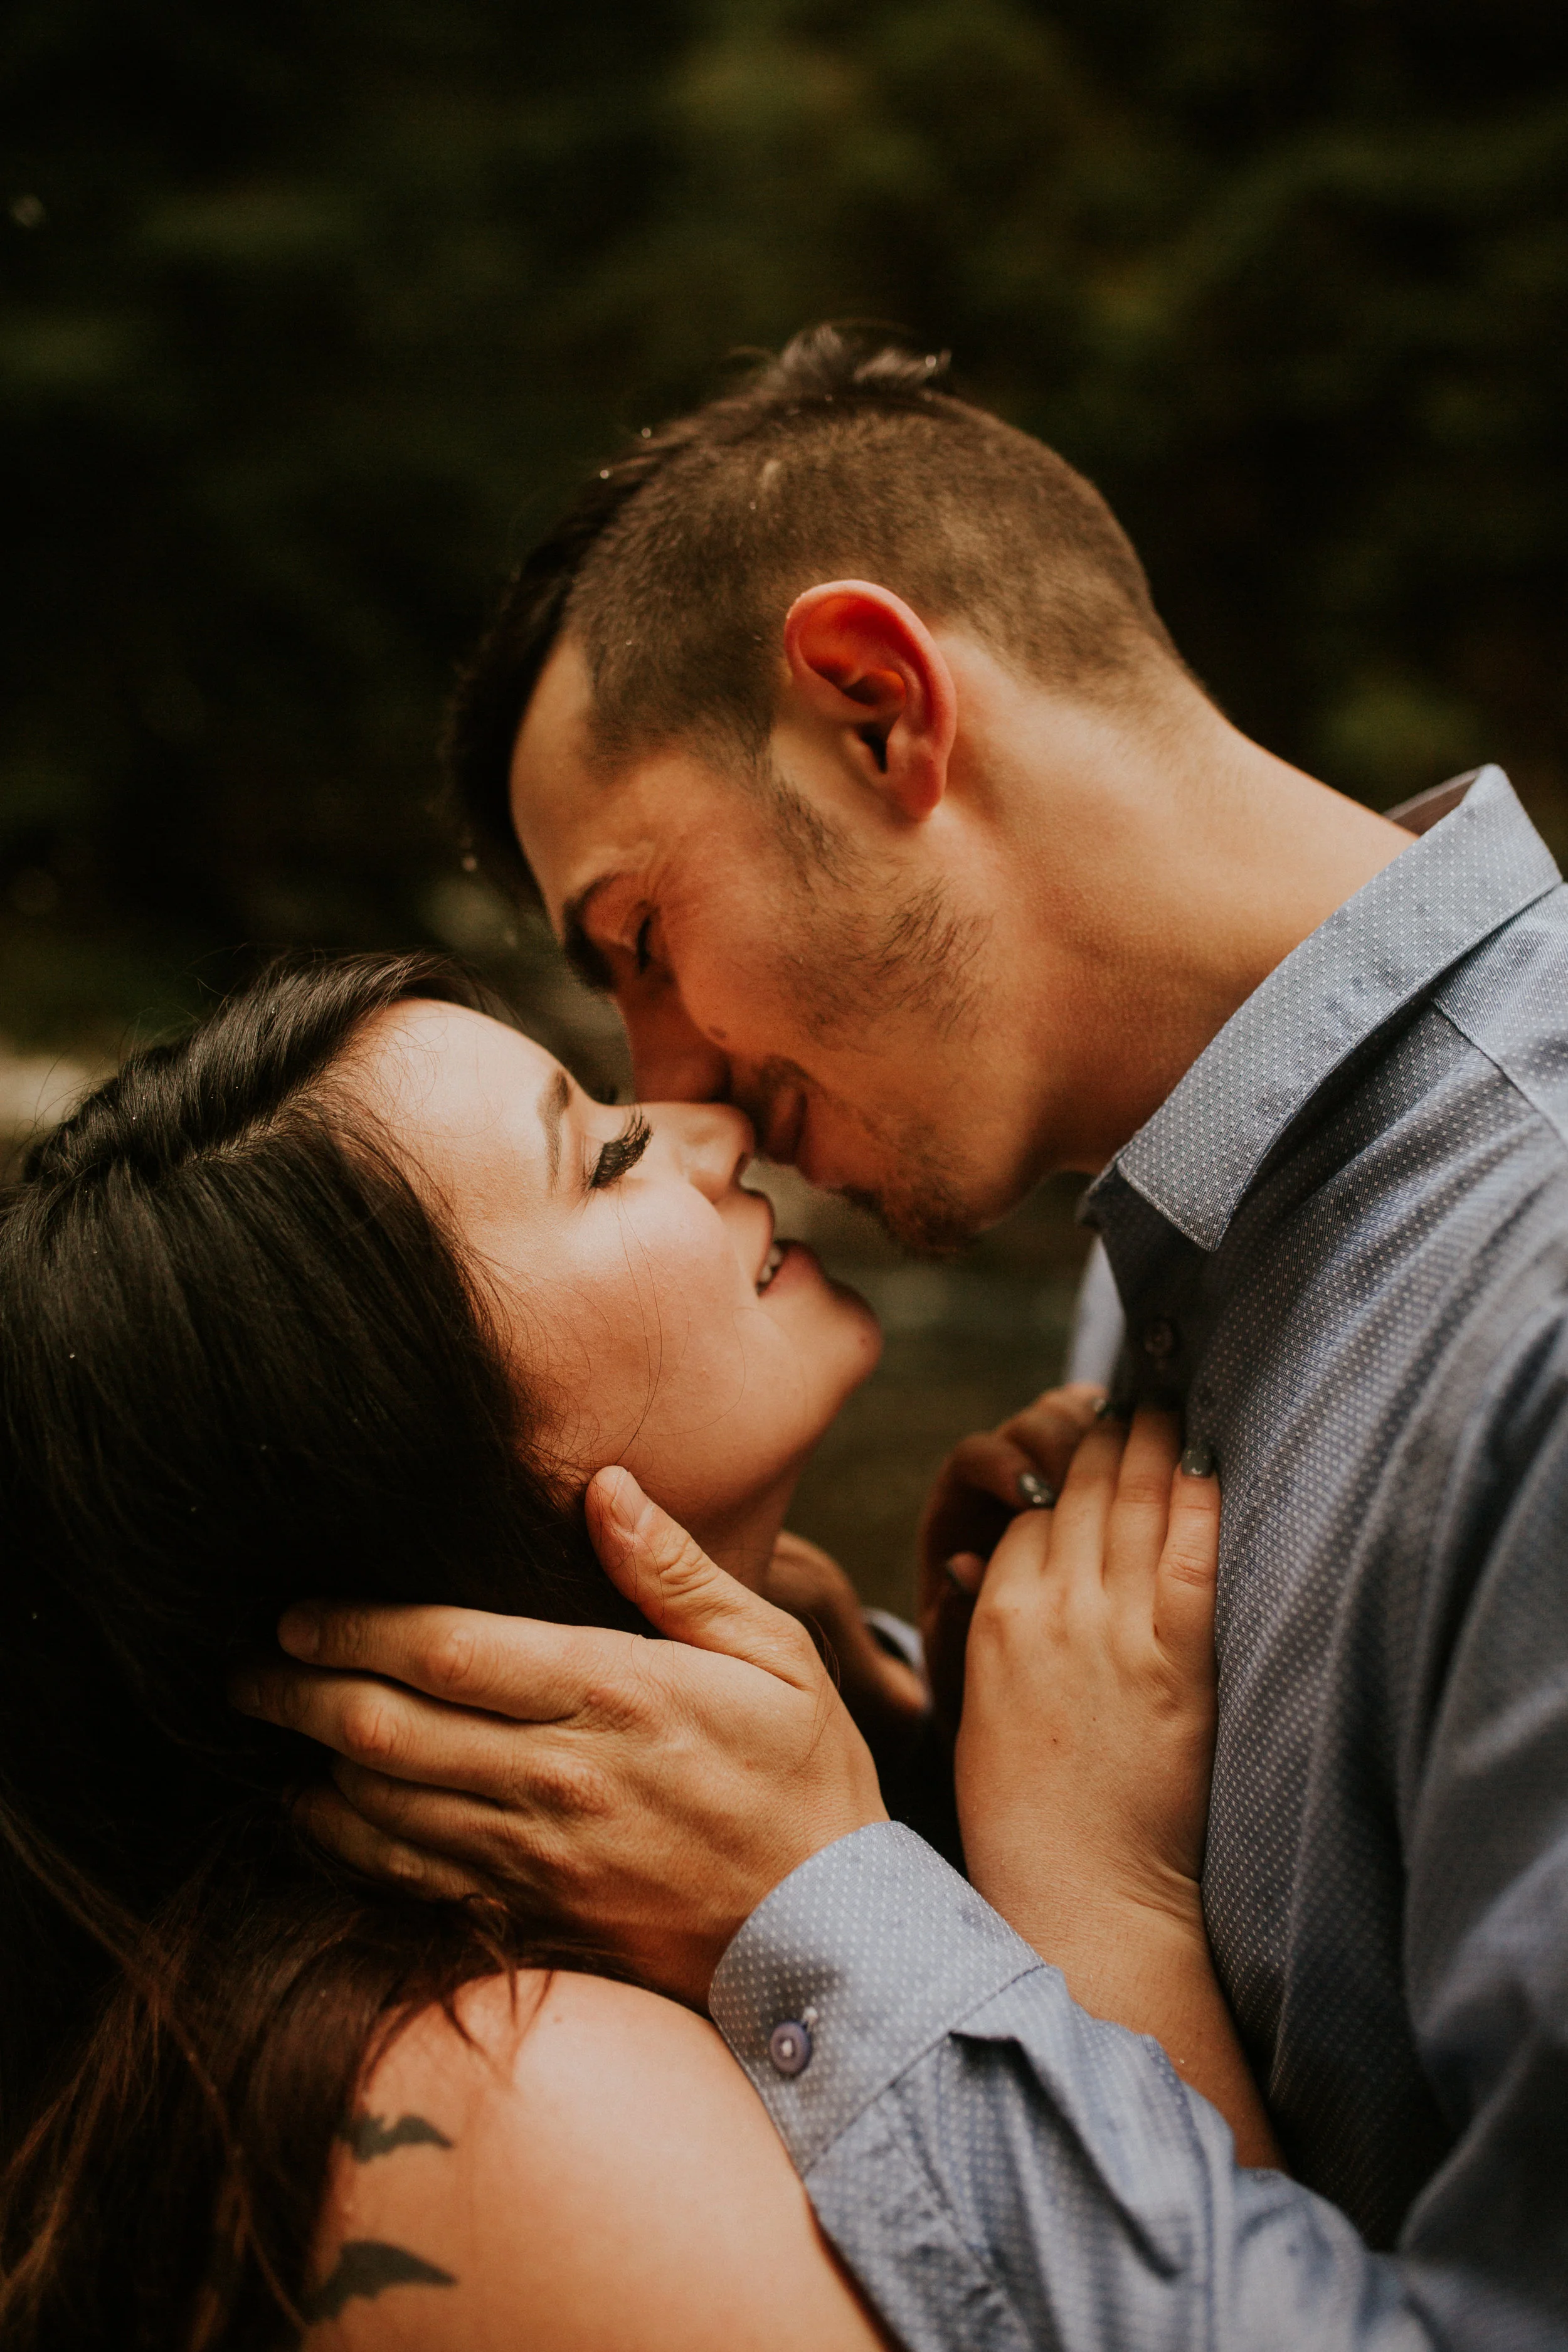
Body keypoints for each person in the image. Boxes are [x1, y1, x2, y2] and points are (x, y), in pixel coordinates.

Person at [250, 327, 1568, 2349]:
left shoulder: (1536, 1307)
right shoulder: (1168, 1241)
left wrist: (827, 1907)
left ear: (875, 711)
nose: (671, 1082)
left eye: (636, 938)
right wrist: (946, 1758)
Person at [0, 950, 1259, 2351]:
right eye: (602, 1157)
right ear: (412, 1462)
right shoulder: (519, 2107)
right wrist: (1095, 1893)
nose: (714, 1131)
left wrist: (926, 1767)